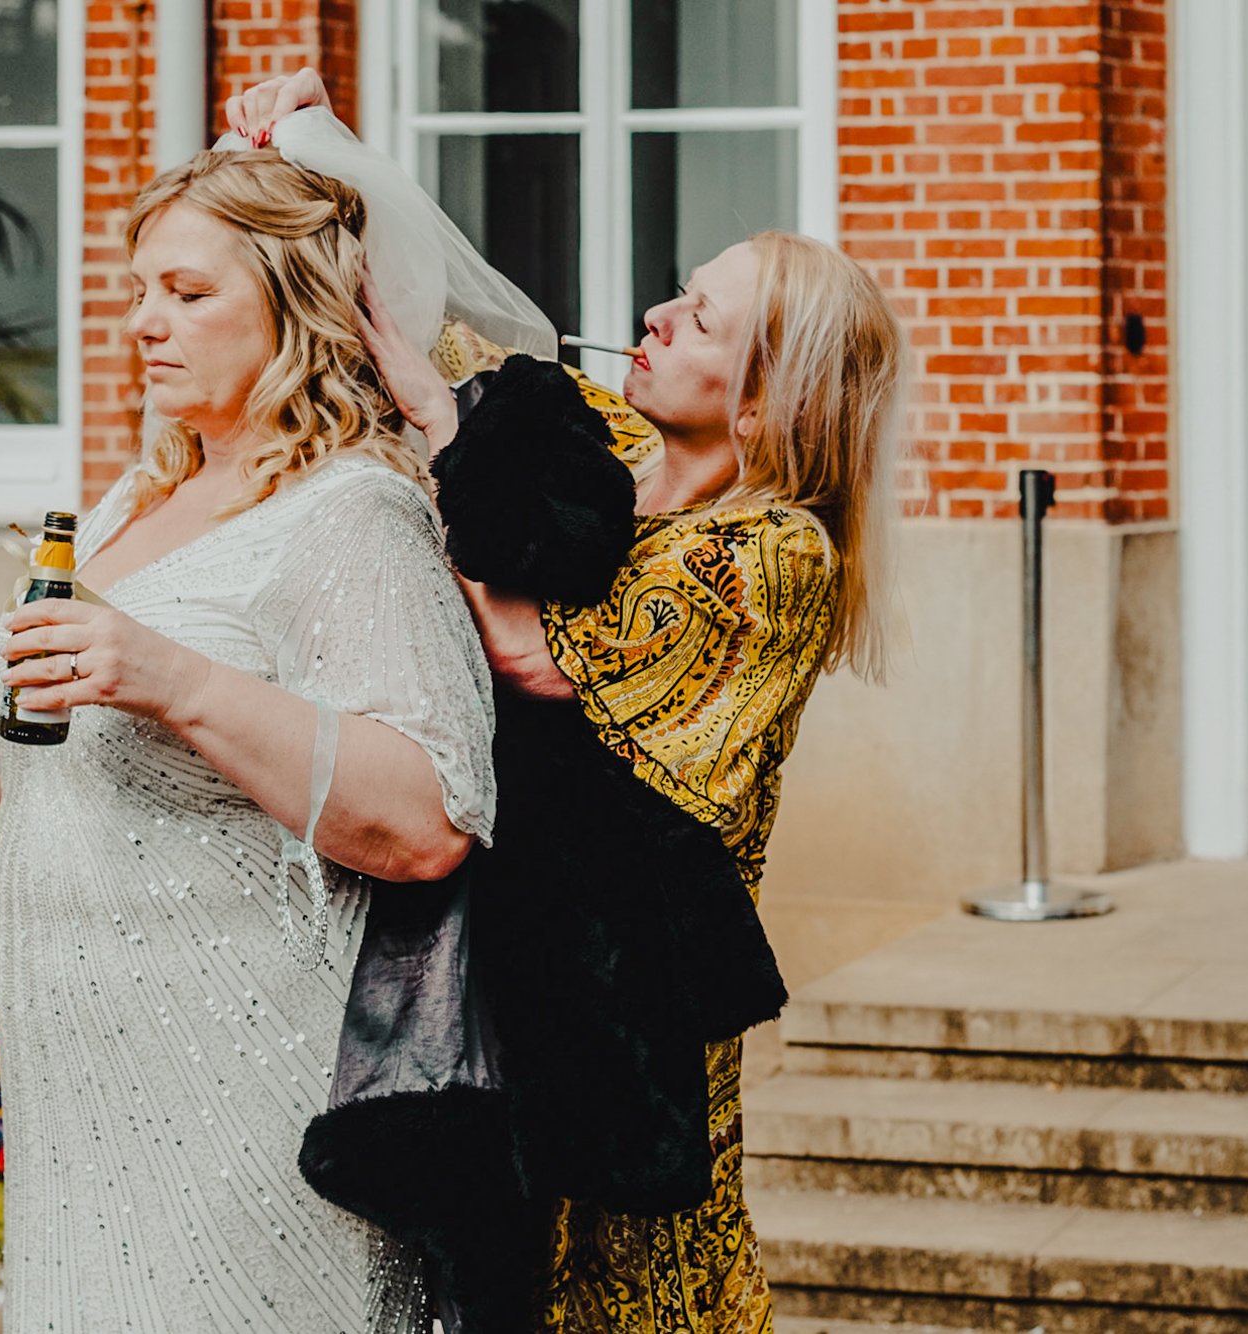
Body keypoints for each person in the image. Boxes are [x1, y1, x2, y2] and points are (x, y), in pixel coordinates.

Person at [231, 72, 906, 1334]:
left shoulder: (774, 555)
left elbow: (534, 651)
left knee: (638, 1272)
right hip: (525, 951)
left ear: (764, 401)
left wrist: (449, 440)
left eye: (698, 319)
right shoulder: (617, 452)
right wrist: (324, 150)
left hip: (632, 987)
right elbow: (444, 339)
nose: (654, 312)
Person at [0, 146, 497, 1331]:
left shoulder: (350, 513)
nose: (142, 324)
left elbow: (426, 820)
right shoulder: (129, 505)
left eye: (187, 292)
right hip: (84, 1084)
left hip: (243, 1078)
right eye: (136, 291)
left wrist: (168, 674)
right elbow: (49, 777)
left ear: (293, 302)